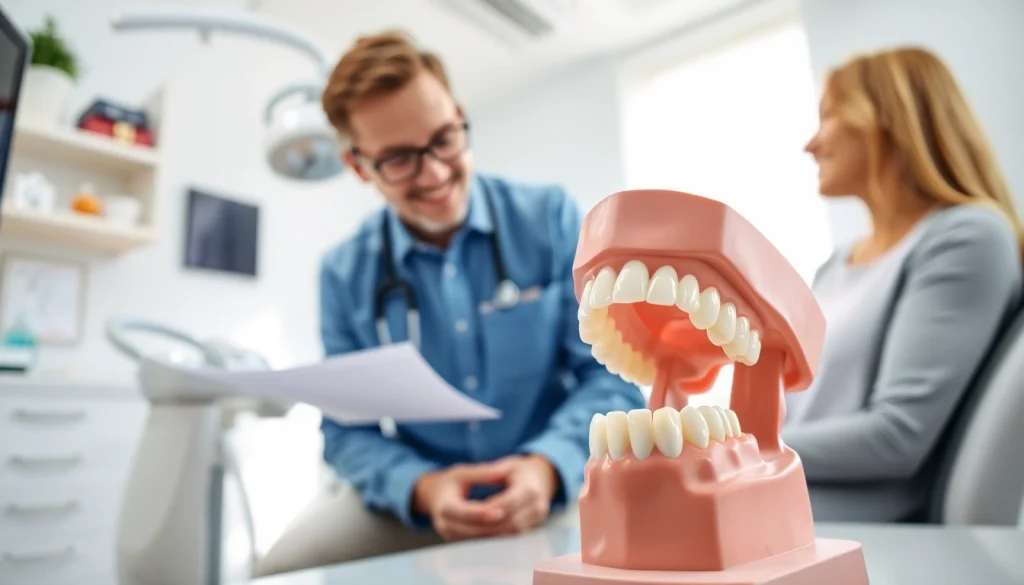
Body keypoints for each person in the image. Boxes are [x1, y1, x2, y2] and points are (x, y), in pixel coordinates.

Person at [256, 30, 645, 575]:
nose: (436, 173)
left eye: (444, 139)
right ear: (358, 166)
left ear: (460, 116)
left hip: (556, 480)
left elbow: (612, 378)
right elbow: (346, 432)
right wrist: (423, 488)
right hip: (420, 500)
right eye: (399, 159)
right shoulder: (344, 274)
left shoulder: (549, 218)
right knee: (282, 569)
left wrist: (547, 466)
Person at [784, 46, 1024, 522]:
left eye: (829, 116)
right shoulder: (834, 266)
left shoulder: (966, 237)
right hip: (789, 499)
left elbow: (897, 436)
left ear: (889, 118)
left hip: (846, 524)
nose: (811, 144)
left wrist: (735, 447)